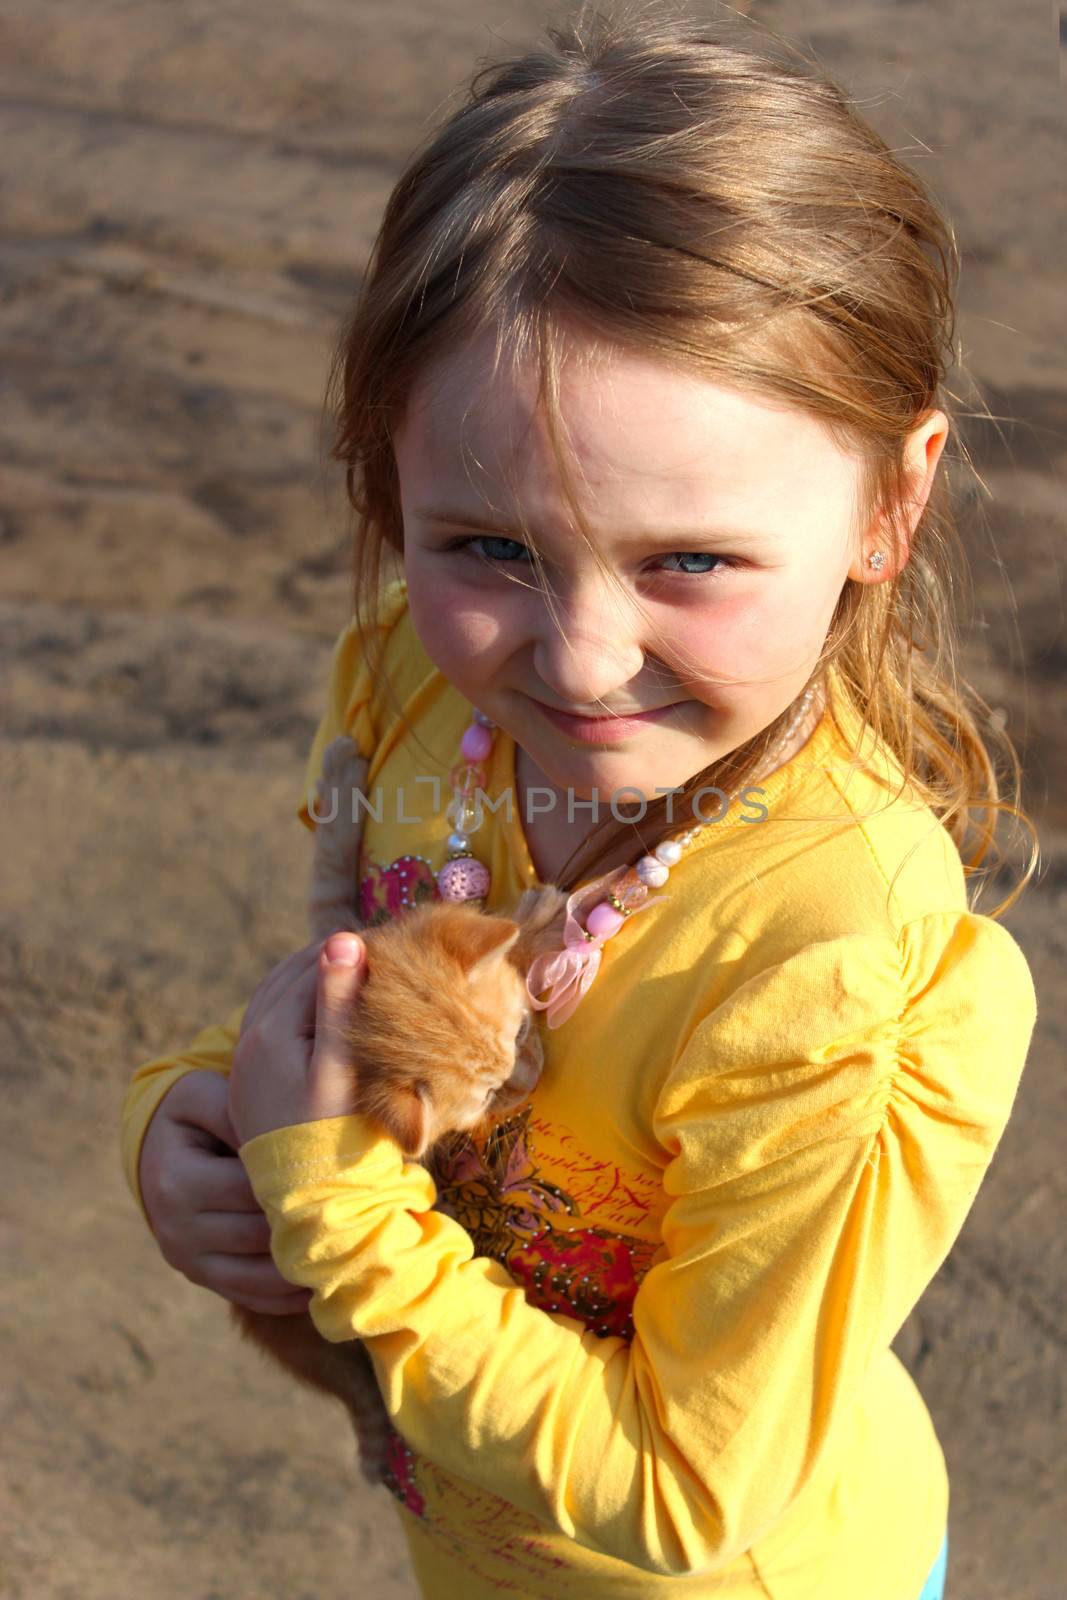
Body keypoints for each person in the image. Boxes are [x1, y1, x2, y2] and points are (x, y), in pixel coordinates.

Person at [119, 7, 1040, 1598]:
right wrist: (203, 1115)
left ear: (891, 505)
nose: (581, 656)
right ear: (386, 478)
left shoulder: (827, 967)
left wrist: (331, 1205)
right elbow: (353, 978)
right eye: (489, 547)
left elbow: (689, 1493)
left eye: (688, 559)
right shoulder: (422, 693)